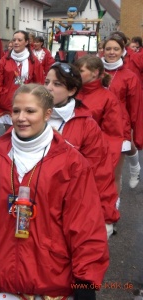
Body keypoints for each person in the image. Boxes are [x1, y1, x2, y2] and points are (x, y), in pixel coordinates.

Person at [0, 83, 109, 299]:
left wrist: (86, 280)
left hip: (51, 279)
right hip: (3, 273)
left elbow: (85, 223)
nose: (21, 117)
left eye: (30, 111)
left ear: (47, 114)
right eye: (16, 110)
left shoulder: (72, 162)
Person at [44, 62, 120, 237]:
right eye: (46, 82)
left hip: (71, 207)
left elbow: (100, 173)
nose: (48, 88)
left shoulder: (87, 125)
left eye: (57, 84)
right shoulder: (30, 117)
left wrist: (105, 216)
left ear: (72, 90)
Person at [101, 35, 143, 190]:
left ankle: (113, 210)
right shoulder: (95, 72)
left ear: (122, 51)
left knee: (114, 173)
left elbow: (136, 107)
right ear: (102, 51)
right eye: (108, 49)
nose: (112, 52)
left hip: (119, 126)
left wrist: (135, 131)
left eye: (116, 49)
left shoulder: (129, 76)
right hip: (97, 125)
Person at [0, 30, 45, 131]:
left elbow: (39, 84)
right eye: (14, 40)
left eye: (19, 40)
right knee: (9, 134)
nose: (16, 42)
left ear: (26, 42)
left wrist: (41, 103)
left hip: (28, 102)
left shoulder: (33, 61)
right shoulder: (4, 61)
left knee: (23, 134)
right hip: (8, 103)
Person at [74, 55, 123, 170]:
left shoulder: (108, 98)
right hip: (70, 155)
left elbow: (113, 136)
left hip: (93, 158)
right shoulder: (72, 92)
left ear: (95, 73)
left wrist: (105, 165)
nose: (76, 74)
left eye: (80, 71)